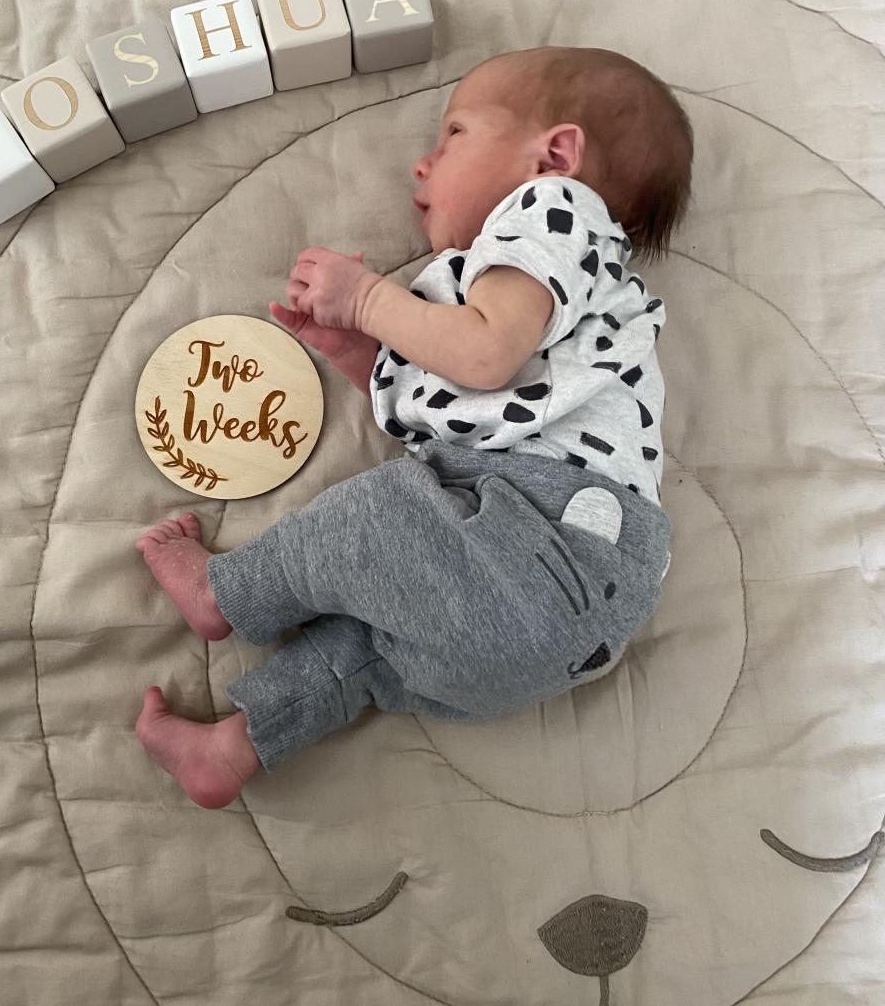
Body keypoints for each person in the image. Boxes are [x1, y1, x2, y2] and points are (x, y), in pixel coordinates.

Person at [133, 45, 693, 807]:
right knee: (371, 642)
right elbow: (457, 411)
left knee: (383, 515)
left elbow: (486, 357)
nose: (422, 168)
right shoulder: (525, 295)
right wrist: (368, 357)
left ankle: (228, 594)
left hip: (557, 544)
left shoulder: (557, 212)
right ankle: (234, 748)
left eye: (453, 135)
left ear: (554, 154)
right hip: (545, 617)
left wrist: (368, 300)